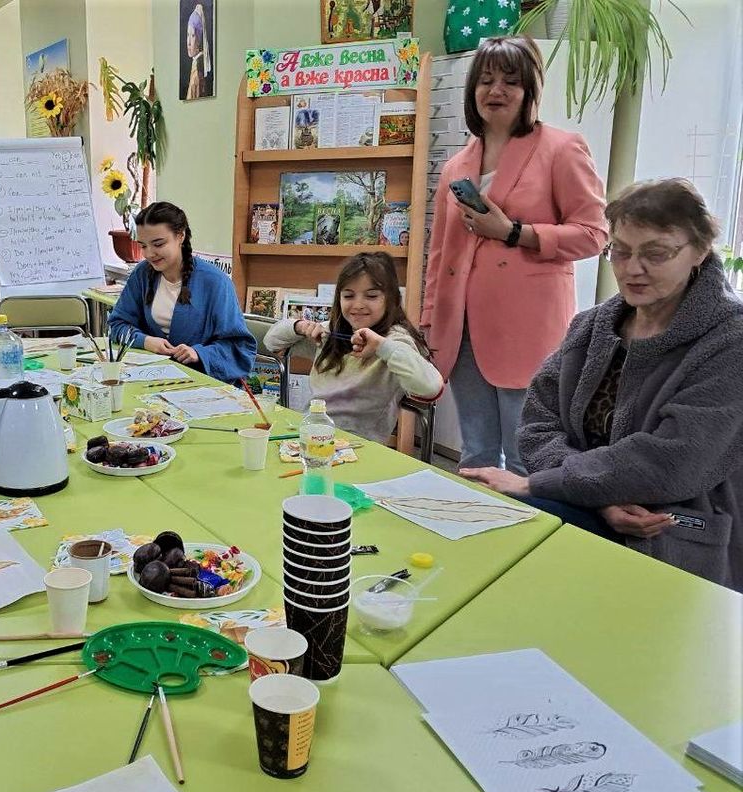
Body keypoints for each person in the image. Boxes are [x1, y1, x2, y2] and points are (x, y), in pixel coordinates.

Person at [462, 179, 743, 592]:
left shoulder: (730, 341)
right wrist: (598, 497)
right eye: (621, 251)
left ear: (700, 251)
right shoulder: (593, 326)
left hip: (671, 538)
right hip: (589, 508)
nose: (632, 268)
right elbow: (537, 424)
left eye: (656, 253)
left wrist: (543, 483)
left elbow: (672, 461)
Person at [420, 34, 607, 474]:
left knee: (527, 458)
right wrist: (429, 321)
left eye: (510, 81)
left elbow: (594, 234)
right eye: (486, 80)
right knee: (475, 453)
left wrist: (514, 233)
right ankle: (474, 517)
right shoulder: (456, 165)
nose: (496, 90)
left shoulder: (561, 149)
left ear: (530, 90)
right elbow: (440, 255)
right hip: (461, 326)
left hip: (527, 328)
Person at [265, 252, 443, 442]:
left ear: (391, 299)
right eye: (348, 295)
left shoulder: (395, 341)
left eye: (371, 296)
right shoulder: (330, 333)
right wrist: (299, 326)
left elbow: (431, 388)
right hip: (312, 434)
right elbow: (271, 342)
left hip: (359, 445)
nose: (358, 305)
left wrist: (381, 346)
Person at [108, 201, 255, 384]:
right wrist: (145, 341)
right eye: (143, 246)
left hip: (203, 384)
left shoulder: (215, 282)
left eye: (158, 244)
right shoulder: (142, 274)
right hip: (151, 379)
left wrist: (198, 353)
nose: (149, 254)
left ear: (180, 236)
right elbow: (117, 325)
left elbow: (239, 348)